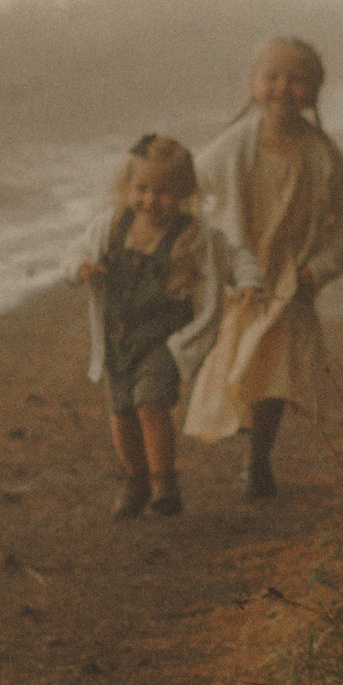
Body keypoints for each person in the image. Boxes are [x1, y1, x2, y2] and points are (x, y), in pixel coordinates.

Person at [183, 35, 343, 501]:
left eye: (298, 79)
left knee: (275, 369)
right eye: (272, 77)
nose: (284, 87)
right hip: (242, 279)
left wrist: (319, 268)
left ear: (316, 91)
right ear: (252, 85)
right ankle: (242, 428)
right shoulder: (234, 145)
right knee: (234, 361)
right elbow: (190, 186)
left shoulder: (322, 155)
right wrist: (202, 249)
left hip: (290, 280)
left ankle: (258, 457)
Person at [77, 133, 226, 518]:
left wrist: (246, 283)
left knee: (150, 403)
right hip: (118, 336)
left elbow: (221, 265)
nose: (150, 200)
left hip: (163, 339)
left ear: (184, 192)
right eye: (141, 189)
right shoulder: (111, 227)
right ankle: (135, 478)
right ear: (127, 187)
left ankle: (163, 479)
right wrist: (80, 270)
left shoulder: (192, 235)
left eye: (163, 192)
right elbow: (77, 255)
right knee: (121, 411)